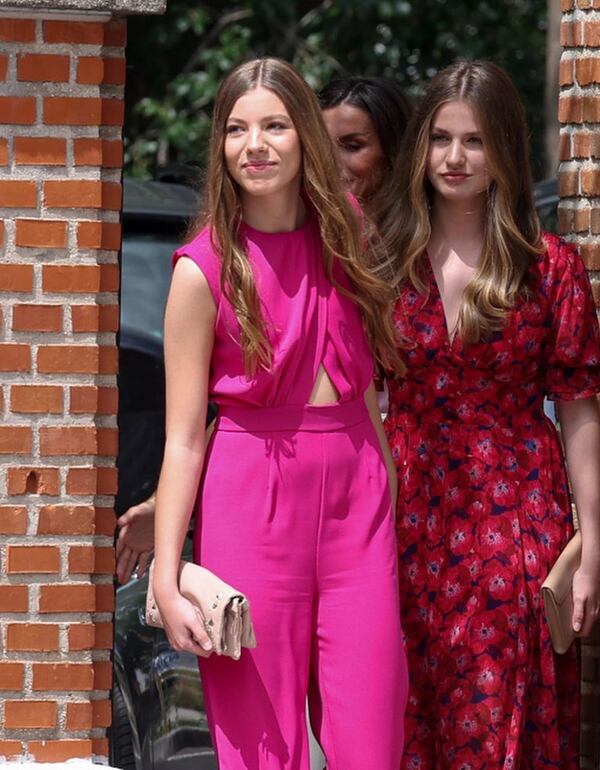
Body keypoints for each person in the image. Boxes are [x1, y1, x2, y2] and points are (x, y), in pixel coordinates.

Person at [150, 57, 407, 770]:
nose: (253, 145)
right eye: (236, 129)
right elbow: (180, 439)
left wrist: (387, 488)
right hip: (251, 498)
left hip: (358, 497)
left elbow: (368, 401)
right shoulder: (201, 272)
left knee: (372, 737)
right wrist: (167, 578)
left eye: (273, 125)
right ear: (220, 147)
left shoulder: (348, 235)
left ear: (305, 140)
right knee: (265, 748)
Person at [377, 60, 600, 769]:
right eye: (440, 138)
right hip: (407, 510)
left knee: (503, 704)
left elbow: (577, 411)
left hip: (518, 515)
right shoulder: (383, 261)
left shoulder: (550, 267)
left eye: (473, 141)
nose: (453, 158)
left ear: (503, 148)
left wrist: (593, 542)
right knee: (409, 704)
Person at [115, 74, 412, 584]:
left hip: (385, 495)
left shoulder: (365, 246)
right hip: (264, 497)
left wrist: (387, 496)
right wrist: (166, 521)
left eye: (355, 145)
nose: (338, 162)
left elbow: (354, 392)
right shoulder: (212, 266)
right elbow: (248, 408)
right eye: (237, 129)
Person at [319, 76, 412, 209]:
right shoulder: (291, 222)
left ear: (394, 149)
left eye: (352, 147)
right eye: (320, 146)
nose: (331, 161)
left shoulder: (432, 226)